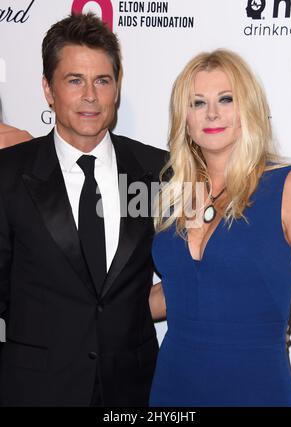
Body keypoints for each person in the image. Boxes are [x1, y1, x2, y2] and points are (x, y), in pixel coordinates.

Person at [0, 12, 167, 406]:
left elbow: (195, 270)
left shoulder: (157, 171)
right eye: (75, 80)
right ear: (48, 89)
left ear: (116, 88)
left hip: (133, 389)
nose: (90, 95)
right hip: (36, 390)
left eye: (102, 81)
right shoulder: (9, 174)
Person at [149, 49, 291, 407]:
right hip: (172, 385)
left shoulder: (288, 188)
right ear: (184, 118)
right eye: (198, 102)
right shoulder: (176, 195)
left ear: (247, 108)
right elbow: (182, 289)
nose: (212, 113)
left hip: (256, 387)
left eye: (226, 99)